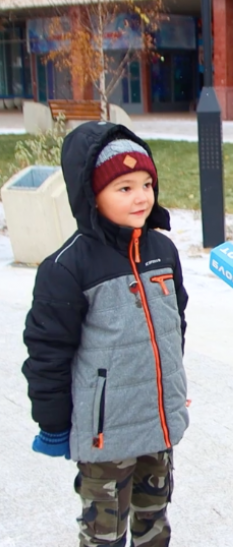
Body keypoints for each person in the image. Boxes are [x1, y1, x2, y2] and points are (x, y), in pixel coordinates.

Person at [22, 122, 189, 547]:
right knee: (103, 533)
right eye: (124, 187)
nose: (141, 197)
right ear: (91, 195)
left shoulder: (162, 251)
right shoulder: (66, 268)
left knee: (154, 521)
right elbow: (48, 352)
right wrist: (54, 423)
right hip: (105, 435)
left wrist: (171, 381)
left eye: (147, 184)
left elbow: (175, 324)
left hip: (157, 425)